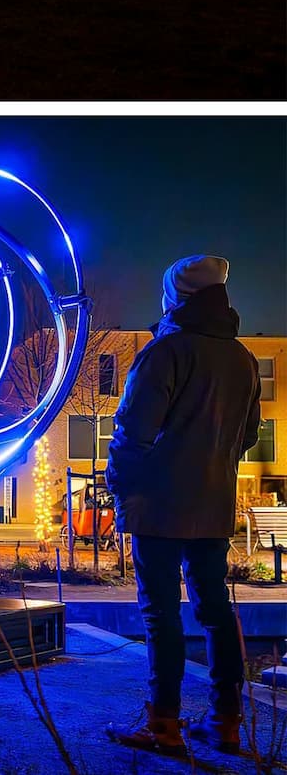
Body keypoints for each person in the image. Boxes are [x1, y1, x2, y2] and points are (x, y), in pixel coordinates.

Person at [107, 255, 258, 758]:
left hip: (158, 505)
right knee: (215, 611)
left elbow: (133, 431)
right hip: (212, 506)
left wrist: (120, 485)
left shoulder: (165, 351)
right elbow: (247, 437)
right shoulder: (243, 359)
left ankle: (164, 724)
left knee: (161, 614)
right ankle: (226, 721)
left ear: (177, 296)